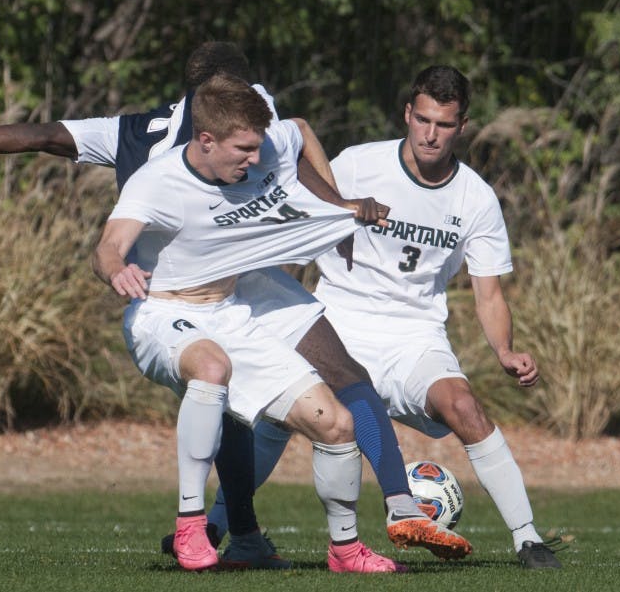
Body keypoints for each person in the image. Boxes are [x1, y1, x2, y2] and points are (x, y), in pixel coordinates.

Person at [0, 42, 472, 564]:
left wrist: (334, 209)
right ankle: (225, 530)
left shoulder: (232, 122)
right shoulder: (151, 143)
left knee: (338, 375)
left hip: (250, 281)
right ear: (208, 106)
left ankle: (390, 507)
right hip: (177, 300)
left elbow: (293, 142)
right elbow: (48, 144)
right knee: (229, 398)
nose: (251, 114)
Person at [210, 66, 564, 569]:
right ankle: (214, 525)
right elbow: (299, 203)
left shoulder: (476, 198)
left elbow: (489, 295)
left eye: (443, 124)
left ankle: (528, 539)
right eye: (421, 120)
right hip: (335, 319)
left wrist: (504, 350)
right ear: (407, 114)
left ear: (462, 125)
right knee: (275, 418)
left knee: (464, 405)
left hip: (414, 335)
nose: (429, 133)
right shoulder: (358, 164)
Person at [92, 72, 411, 573]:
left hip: (231, 314)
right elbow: (108, 247)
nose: (255, 159)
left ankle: (346, 550)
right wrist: (118, 269)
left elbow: (299, 130)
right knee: (212, 368)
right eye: (242, 149)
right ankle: (191, 528)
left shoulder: (260, 145)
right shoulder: (157, 183)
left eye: (258, 147)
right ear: (206, 139)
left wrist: (341, 205)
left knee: (336, 423)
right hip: (165, 314)